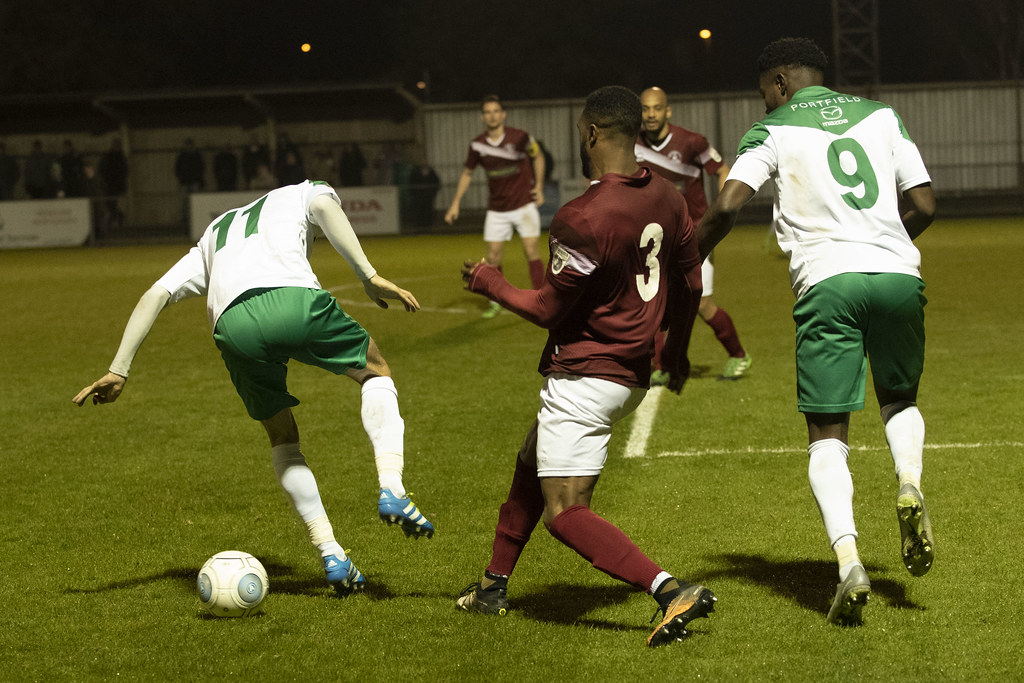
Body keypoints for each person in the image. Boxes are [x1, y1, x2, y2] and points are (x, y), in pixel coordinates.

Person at [72, 180, 436, 594]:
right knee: (375, 371)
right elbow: (324, 207)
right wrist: (368, 276)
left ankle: (331, 553)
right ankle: (391, 486)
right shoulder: (303, 190)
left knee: (282, 436)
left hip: (233, 328)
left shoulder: (213, 234)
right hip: (294, 302)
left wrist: (119, 369)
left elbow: (156, 293)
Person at [457, 86, 715, 648]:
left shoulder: (582, 216)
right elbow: (691, 284)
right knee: (531, 460)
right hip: (631, 374)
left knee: (565, 510)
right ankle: (493, 586)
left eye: (580, 133)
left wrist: (489, 282)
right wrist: (675, 351)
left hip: (586, 378)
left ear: (593, 134)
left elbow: (548, 307)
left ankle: (669, 589)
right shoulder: (669, 198)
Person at [697, 38, 936, 626]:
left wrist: (686, 262)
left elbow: (727, 206)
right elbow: (925, 204)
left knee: (827, 434)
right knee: (899, 397)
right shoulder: (881, 114)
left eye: (763, 90)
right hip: (898, 274)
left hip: (829, 281)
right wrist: (882, 244)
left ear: (779, 83)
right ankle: (909, 483)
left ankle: (850, 563)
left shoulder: (773, 127)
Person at [635, 87, 751, 381]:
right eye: (646, 109)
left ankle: (739, 355)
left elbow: (723, 170)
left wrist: (719, 214)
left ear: (667, 111)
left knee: (700, 304)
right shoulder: (632, 144)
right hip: (656, 238)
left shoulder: (691, 141)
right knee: (653, 300)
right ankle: (661, 367)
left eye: (656, 108)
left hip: (694, 237)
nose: (650, 114)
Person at [445, 95, 546, 318]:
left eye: (496, 111)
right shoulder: (477, 145)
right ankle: (497, 301)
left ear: (503, 114)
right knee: (493, 256)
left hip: (523, 205)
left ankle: (542, 298)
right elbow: (467, 173)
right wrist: (455, 204)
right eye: (487, 112)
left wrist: (539, 186)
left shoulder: (520, 137)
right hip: (497, 209)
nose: (492, 115)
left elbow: (538, 157)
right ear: (483, 117)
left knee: (531, 250)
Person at [99, 137, 128, 230]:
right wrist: (104, 182)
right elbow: (102, 170)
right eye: (115, 145)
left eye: (117, 145)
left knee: (117, 205)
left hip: (119, 186)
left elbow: (126, 171)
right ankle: (114, 219)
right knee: (110, 204)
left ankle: (116, 220)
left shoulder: (121, 158)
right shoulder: (108, 156)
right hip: (110, 186)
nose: (116, 147)